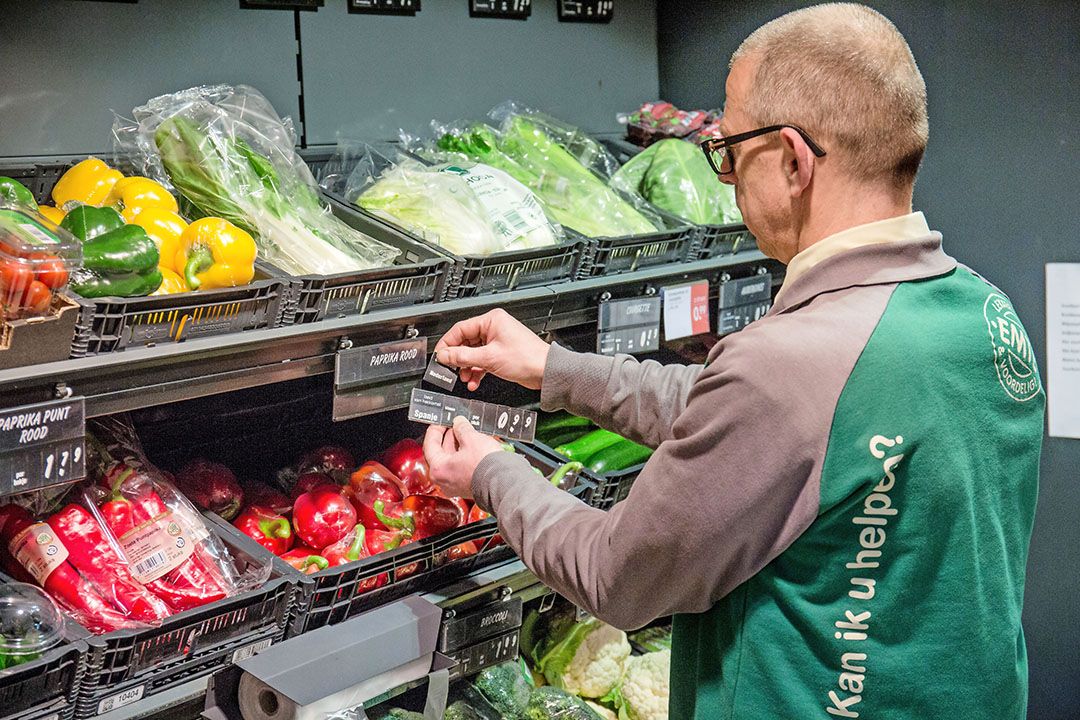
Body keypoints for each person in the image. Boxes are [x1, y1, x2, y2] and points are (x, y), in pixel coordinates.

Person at [423, 4, 1045, 718]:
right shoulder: (984, 314)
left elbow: (615, 577)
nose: (726, 178)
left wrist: (491, 472)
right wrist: (553, 368)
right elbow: (779, 428)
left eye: (728, 149)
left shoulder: (789, 366)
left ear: (791, 160)